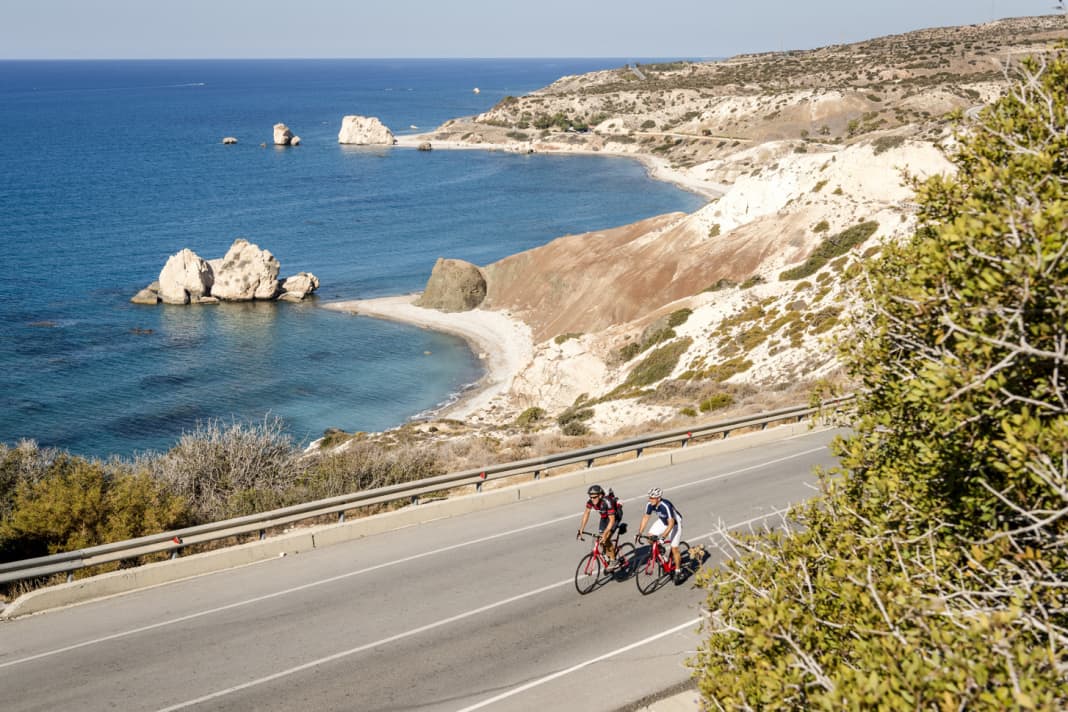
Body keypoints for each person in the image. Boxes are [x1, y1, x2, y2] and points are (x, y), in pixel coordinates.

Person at [636, 487, 685, 583]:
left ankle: (678, 570)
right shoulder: (649, 504)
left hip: (674, 523)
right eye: (649, 498)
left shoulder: (665, 505)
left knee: (674, 548)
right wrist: (639, 533)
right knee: (650, 537)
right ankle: (662, 554)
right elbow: (646, 517)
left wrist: (663, 537)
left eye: (653, 498)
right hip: (663, 521)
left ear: (659, 498)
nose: (650, 500)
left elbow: (671, 523)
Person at [576, 484, 623, 566]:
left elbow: (612, 520)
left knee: (606, 538)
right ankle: (608, 554)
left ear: (600, 495)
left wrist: (605, 534)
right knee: (601, 540)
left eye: (594, 497)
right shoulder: (591, 501)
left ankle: (613, 560)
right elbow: (586, 513)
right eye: (590, 497)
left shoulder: (607, 502)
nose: (592, 499)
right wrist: (581, 529)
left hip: (614, 516)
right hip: (604, 516)